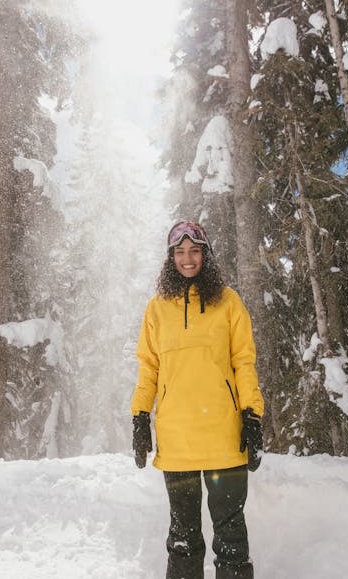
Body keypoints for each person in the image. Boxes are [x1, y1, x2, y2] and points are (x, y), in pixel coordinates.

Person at [131, 220, 264, 579]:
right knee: (184, 537)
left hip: (225, 437)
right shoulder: (157, 308)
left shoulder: (229, 302)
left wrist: (252, 416)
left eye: (194, 251)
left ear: (206, 254)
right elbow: (148, 367)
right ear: (170, 258)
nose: (187, 259)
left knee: (231, 535)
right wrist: (140, 415)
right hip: (177, 441)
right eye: (179, 252)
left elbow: (243, 362)